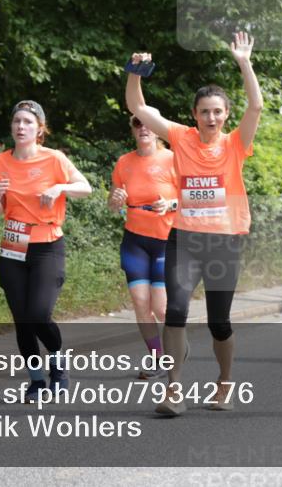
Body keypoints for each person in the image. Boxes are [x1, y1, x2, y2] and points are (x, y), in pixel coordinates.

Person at [126, 31, 261, 416]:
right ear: (194, 114)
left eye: (218, 111)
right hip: (185, 238)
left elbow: (256, 106)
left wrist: (244, 62)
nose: (212, 117)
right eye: (205, 111)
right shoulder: (181, 138)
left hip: (224, 241)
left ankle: (224, 381)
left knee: (220, 322)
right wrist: (135, 72)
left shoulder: (236, 144)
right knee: (177, 311)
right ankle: (173, 389)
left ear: (225, 115)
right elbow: (137, 105)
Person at [0, 100, 92, 400]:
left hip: (47, 244)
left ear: (40, 129)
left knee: (38, 314)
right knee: (22, 319)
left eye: (28, 122)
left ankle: (58, 363)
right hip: (13, 244)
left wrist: (60, 188)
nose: (21, 127)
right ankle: (35, 380)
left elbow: (85, 187)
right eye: (17, 121)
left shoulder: (54, 159)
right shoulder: (0, 162)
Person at [108, 115, 179, 379]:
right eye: (138, 123)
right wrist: (115, 199)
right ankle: (157, 358)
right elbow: (113, 203)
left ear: (159, 130)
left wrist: (170, 205)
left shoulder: (173, 159)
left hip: (166, 241)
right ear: (133, 129)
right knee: (140, 302)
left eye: (149, 123)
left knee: (161, 308)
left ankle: (177, 345)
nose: (144, 128)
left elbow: (192, 199)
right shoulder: (124, 162)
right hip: (135, 240)